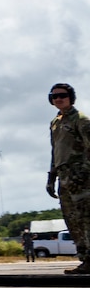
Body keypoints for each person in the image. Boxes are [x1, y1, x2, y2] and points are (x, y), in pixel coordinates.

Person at [46, 82, 90, 276]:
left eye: (62, 95)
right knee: (72, 220)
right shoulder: (55, 122)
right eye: (54, 96)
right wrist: (51, 177)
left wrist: (83, 173)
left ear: (70, 97)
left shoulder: (81, 120)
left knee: (86, 218)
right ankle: (85, 259)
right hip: (63, 177)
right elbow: (55, 152)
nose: (58, 99)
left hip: (80, 177)